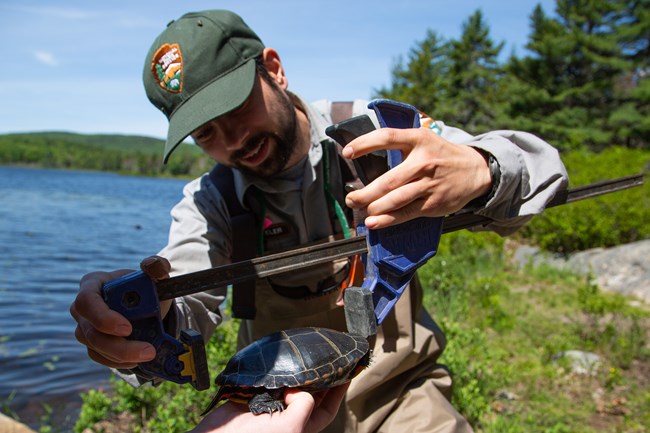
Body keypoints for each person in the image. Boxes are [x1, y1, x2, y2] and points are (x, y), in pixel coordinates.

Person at [70, 9, 568, 433]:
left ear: (273, 69)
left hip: (397, 396)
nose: (232, 140)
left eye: (234, 106)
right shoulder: (212, 200)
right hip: (275, 409)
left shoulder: (383, 137)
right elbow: (181, 285)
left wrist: (484, 169)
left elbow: (544, 172)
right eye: (206, 133)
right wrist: (137, 326)